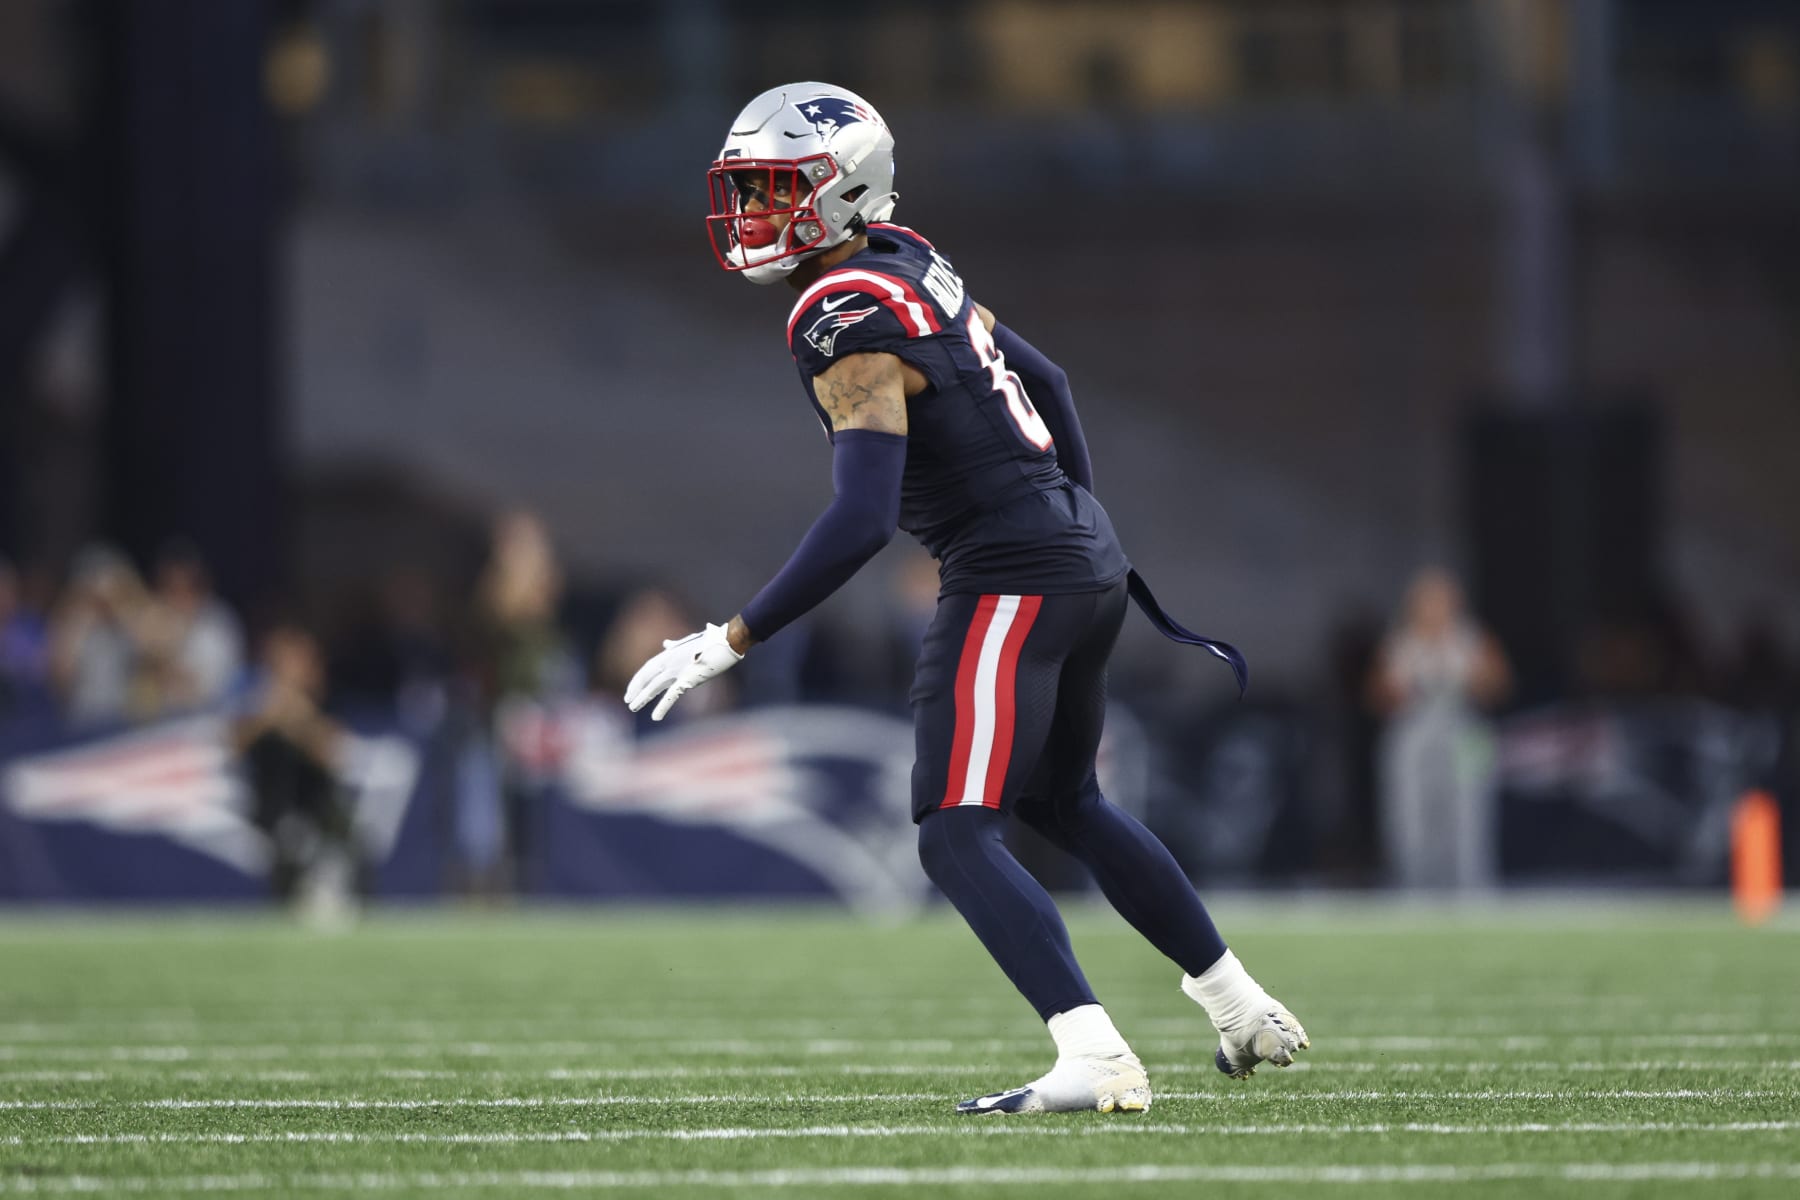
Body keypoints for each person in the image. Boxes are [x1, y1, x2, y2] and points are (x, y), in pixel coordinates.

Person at [623, 83, 1307, 1114]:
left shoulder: (840, 310)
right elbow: (1056, 383)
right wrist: (1078, 522)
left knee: (953, 828)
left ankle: (1095, 1055)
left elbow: (861, 519)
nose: (753, 214)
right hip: (1082, 559)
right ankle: (1240, 1005)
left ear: (840, 191)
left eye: (773, 190)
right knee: (1064, 800)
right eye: (748, 192)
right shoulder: (907, 260)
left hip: (1012, 576)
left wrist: (732, 637)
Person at [1367, 567, 1512, 891]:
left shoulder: (1473, 638)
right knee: (1409, 813)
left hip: (1465, 726)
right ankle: (1412, 885)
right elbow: (1374, 697)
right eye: (1426, 602)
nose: (1434, 609)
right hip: (1415, 729)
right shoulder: (1398, 642)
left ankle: (1473, 885)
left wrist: (1477, 678)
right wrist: (1394, 690)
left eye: (1442, 601)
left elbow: (1500, 687)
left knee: (1471, 812)